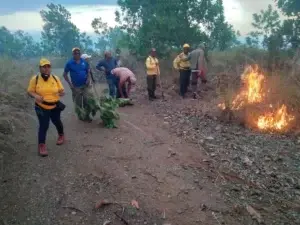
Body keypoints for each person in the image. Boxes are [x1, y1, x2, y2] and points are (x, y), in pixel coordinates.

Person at [27, 58, 65, 157]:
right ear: (40, 68)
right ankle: (42, 145)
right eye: (44, 67)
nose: (46, 68)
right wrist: (36, 96)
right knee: (44, 125)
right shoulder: (34, 79)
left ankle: (61, 135)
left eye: (48, 66)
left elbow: (62, 90)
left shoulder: (55, 78)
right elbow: (30, 91)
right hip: (41, 106)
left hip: (55, 105)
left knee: (57, 121)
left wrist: (62, 93)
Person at [63, 47, 93, 122]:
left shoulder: (84, 62)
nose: (77, 54)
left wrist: (88, 79)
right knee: (78, 103)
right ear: (73, 54)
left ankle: (87, 116)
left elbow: (88, 71)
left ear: (80, 53)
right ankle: (80, 116)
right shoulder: (69, 63)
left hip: (85, 85)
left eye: (78, 53)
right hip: (76, 86)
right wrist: (70, 84)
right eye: (75, 53)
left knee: (87, 100)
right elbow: (65, 74)